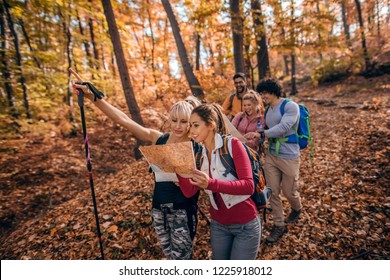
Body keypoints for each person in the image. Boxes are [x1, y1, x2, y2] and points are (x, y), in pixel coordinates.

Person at [70, 69, 200, 260]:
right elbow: (123, 120)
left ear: (191, 123)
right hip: (158, 210)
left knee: (182, 261)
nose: (178, 126)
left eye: (184, 122)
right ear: (169, 119)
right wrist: (93, 98)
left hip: (183, 211)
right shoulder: (159, 139)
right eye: (174, 120)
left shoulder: (196, 144)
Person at [177, 103, 261, 260]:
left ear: (210, 125)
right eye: (190, 126)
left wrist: (211, 184)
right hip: (218, 226)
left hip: (245, 225)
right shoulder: (198, 154)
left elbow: (248, 186)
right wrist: (179, 170)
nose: (191, 130)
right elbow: (189, 192)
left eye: (195, 125)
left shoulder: (232, 145)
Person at [250, 78, 303, 244]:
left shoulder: (290, 106)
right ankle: (279, 224)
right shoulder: (268, 110)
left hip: (289, 156)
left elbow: (284, 127)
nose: (262, 96)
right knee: (272, 191)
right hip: (272, 155)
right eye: (261, 93)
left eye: (264, 92)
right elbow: (266, 129)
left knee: (289, 192)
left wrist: (263, 134)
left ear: (273, 91)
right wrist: (255, 135)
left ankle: (297, 208)